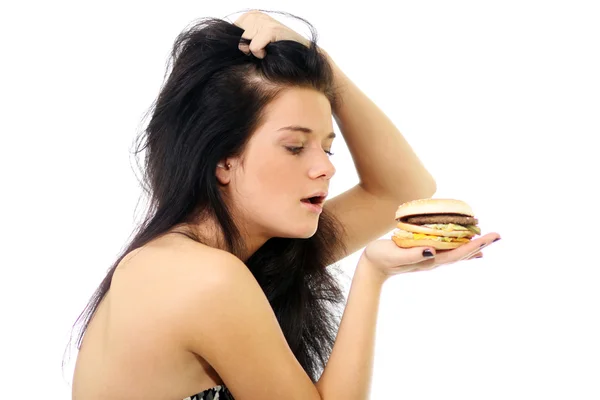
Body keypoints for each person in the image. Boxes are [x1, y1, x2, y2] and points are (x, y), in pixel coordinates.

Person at [67, 9, 501, 400]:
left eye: (328, 149)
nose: (325, 169)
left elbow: (403, 190)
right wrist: (372, 273)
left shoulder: (238, 253)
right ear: (223, 161)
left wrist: (325, 67)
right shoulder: (204, 279)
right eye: (295, 147)